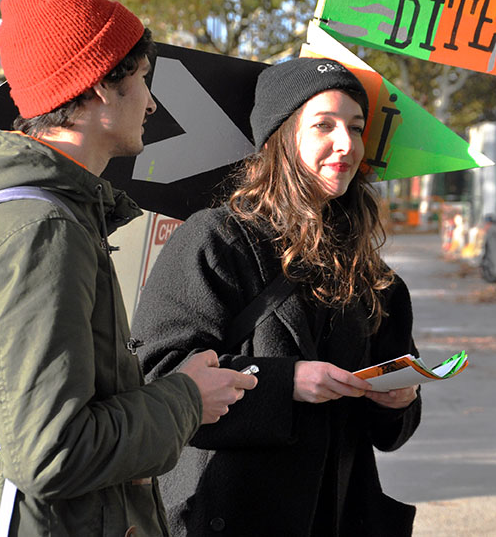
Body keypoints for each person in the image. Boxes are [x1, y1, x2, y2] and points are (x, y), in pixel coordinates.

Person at [0, 0, 257, 536]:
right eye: (145, 80)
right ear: (102, 85)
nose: (151, 104)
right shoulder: (42, 231)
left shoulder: (32, 215)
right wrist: (185, 401)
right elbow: (52, 451)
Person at [130, 57, 422, 536]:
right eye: (323, 125)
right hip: (227, 514)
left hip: (339, 517)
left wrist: (397, 400)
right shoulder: (216, 239)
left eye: (355, 126)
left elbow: (390, 431)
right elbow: (158, 374)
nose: (346, 144)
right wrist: (284, 382)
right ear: (281, 138)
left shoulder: (374, 275)